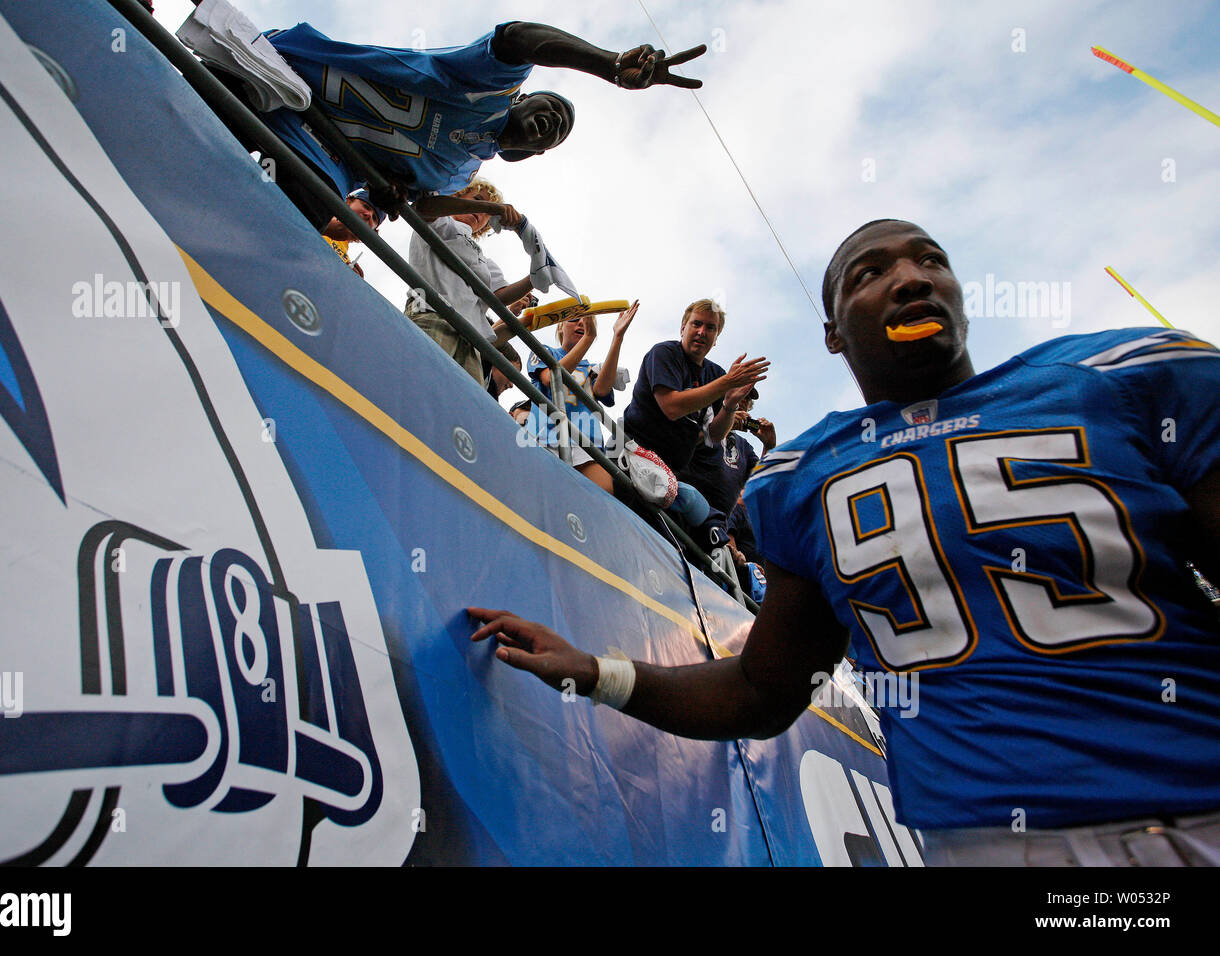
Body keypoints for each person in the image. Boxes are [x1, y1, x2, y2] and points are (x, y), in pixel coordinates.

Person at [469, 219, 1220, 867]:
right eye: (872, 272)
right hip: (987, 842)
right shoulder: (805, 478)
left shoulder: (1114, 380)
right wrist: (595, 670)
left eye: (931, 261)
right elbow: (762, 689)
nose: (911, 280)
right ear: (832, 333)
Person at [252, 20, 706, 223]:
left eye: (559, 131)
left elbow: (421, 203)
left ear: (532, 155)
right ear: (523, 97)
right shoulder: (489, 88)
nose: (554, 120)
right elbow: (518, 39)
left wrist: (397, 194)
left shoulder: (460, 172)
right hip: (283, 70)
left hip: (307, 148)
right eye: (550, 107)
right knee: (197, 97)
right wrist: (607, 64)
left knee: (298, 212)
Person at [623, 299, 769, 527]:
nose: (702, 332)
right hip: (632, 455)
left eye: (710, 328)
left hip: (669, 474)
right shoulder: (664, 353)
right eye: (696, 324)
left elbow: (714, 434)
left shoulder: (715, 373)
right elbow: (671, 407)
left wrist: (730, 405)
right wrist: (726, 383)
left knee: (708, 524)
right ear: (683, 327)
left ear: (716, 337)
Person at [405, 178, 533, 384]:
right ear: (458, 195)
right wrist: (493, 207)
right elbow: (422, 208)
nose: (482, 212)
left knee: (465, 403)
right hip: (432, 313)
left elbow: (499, 296)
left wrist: (535, 277)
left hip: (471, 337)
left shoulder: (483, 259)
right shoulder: (440, 219)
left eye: (488, 214)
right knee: (423, 382)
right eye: (477, 200)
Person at [524, 303, 639, 494]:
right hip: (545, 436)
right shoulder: (543, 351)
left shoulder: (592, 368)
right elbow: (551, 378)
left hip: (585, 442)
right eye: (574, 319)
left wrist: (618, 336)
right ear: (560, 326)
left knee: (602, 494)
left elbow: (602, 390)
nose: (581, 325)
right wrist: (588, 338)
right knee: (541, 494)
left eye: (587, 323)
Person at [678, 388, 777, 519]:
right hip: (683, 507)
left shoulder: (744, 447)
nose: (744, 400)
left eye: (748, 399)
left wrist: (769, 447)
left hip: (718, 525)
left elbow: (759, 482)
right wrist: (725, 422)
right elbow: (679, 444)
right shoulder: (702, 419)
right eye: (741, 394)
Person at [320, 188, 385, 277]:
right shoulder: (317, 209)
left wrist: (350, 283)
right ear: (348, 202)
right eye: (366, 206)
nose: (369, 215)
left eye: (374, 218)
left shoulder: (345, 257)